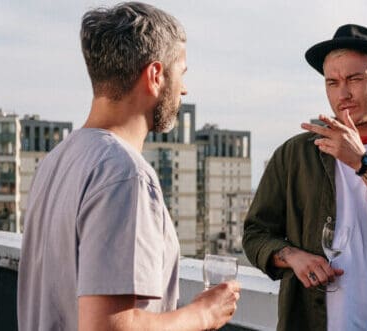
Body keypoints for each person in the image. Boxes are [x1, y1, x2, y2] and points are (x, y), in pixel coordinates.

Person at [17, 2, 240, 330]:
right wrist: (204, 314)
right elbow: (107, 326)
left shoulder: (56, 159)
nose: (184, 89)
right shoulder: (124, 174)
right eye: (181, 73)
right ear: (155, 75)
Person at [243, 24, 367, 331]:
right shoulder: (295, 154)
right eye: (332, 82)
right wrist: (291, 256)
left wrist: (364, 165)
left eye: (354, 79)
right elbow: (255, 233)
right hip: (310, 320)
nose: (343, 93)